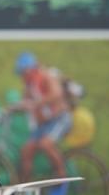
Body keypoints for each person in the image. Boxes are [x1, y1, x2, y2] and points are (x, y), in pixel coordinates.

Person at [12, 52, 72, 186]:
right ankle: (24, 185)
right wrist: (11, 109)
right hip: (43, 124)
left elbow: (57, 94)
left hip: (59, 119)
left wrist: (37, 103)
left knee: (45, 144)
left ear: (29, 70)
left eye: (22, 73)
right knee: (26, 150)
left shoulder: (46, 76)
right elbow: (24, 103)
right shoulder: (28, 86)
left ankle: (62, 175)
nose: (21, 77)